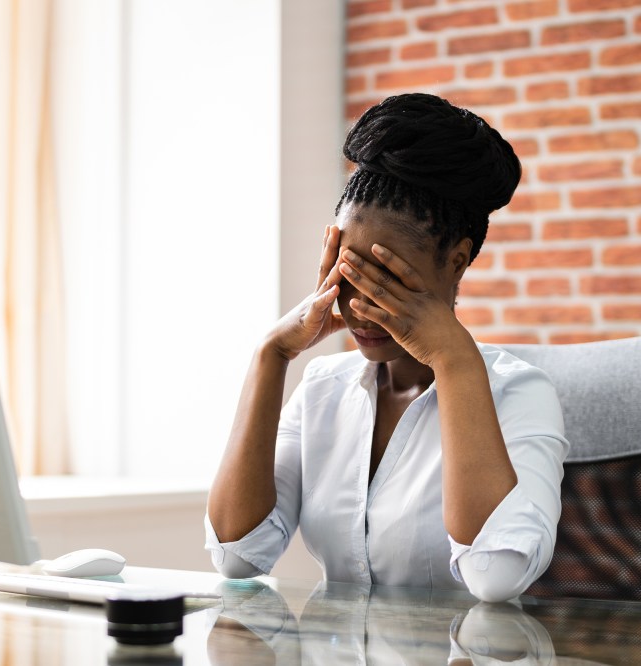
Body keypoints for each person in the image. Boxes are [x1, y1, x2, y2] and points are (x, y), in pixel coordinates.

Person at [204, 93, 568, 603]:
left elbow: (497, 576)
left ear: (457, 263)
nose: (358, 308)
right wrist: (272, 354)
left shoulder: (521, 393)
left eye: (388, 282)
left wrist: (454, 358)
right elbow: (237, 556)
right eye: (347, 274)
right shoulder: (323, 390)